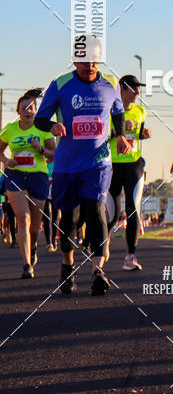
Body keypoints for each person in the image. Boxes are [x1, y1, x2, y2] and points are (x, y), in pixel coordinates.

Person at [34, 36, 131, 295]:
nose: (90, 65)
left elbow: (118, 112)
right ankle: (67, 266)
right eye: (84, 60)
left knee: (96, 210)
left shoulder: (110, 83)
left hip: (98, 163)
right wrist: (52, 126)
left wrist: (120, 134)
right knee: (70, 220)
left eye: (94, 60)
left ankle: (98, 271)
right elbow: (40, 119)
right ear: (75, 60)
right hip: (67, 164)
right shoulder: (60, 84)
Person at [0, 89, 55, 278]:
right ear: (18, 111)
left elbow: (54, 154)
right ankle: (26, 265)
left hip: (38, 177)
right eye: (24, 108)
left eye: (32, 108)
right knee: (22, 218)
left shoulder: (43, 129)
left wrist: (40, 149)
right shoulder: (9, 129)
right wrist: (7, 161)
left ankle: (33, 249)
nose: (28, 111)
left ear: (36, 111)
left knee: (34, 226)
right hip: (15, 175)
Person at [106, 74, 151, 270]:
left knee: (133, 210)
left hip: (134, 165)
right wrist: (119, 129)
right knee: (112, 214)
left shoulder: (141, 111)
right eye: (133, 88)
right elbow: (103, 137)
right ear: (122, 90)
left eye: (139, 88)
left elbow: (138, 133)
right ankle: (101, 248)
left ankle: (130, 257)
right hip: (112, 166)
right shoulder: (109, 112)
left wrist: (144, 134)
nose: (137, 92)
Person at [42, 158, 60, 252]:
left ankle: (54, 240)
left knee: (55, 217)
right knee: (47, 216)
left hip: (55, 191)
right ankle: (48, 242)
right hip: (45, 192)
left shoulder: (57, 162)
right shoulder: (42, 162)